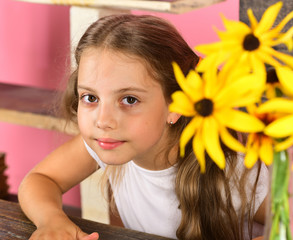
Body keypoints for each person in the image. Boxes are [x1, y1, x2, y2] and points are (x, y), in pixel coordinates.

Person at [18, 14, 269, 240]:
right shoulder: (110, 141)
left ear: (176, 105)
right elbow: (40, 180)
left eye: (129, 100)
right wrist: (52, 219)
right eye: (90, 98)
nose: (103, 121)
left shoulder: (234, 170)